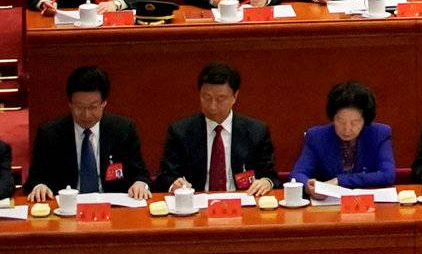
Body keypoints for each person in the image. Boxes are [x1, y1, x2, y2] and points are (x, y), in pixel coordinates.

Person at [26, 65, 151, 202]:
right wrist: (39, 186)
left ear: (104, 103)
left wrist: (140, 183)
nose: (86, 114)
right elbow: (34, 178)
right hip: (67, 209)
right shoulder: (50, 134)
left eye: (92, 107)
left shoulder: (123, 129)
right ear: (70, 104)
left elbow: (140, 174)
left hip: (113, 207)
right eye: (79, 107)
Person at [157, 63, 279, 195]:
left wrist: (266, 182)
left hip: (242, 203)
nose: (212, 106)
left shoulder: (256, 131)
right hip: (196, 205)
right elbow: (165, 177)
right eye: (207, 97)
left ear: (235, 96)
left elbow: (271, 176)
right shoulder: (180, 131)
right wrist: (174, 184)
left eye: (221, 98)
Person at [290, 81, 395, 189]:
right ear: (333, 118)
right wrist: (308, 185)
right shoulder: (316, 136)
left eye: (355, 122)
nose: (347, 129)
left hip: (369, 202)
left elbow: (388, 175)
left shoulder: (379, 134)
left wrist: (339, 181)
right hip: (328, 203)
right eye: (340, 121)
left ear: (365, 120)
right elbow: (297, 175)